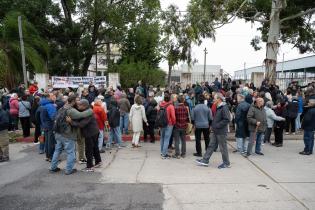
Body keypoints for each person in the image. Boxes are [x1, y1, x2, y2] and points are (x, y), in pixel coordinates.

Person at [50, 95, 94, 175]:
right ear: (73, 101)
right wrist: (91, 110)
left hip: (58, 133)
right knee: (71, 152)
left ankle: (53, 167)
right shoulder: (70, 110)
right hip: (67, 135)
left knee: (57, 151)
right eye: (77, 100)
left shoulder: (62, 108)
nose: (78, 102)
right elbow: (81, 115)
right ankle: (69, 170)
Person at [195, 93, 231, 168]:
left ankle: (226, 163)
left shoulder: (224, 107)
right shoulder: (219, 107)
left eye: (215, 98)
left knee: (223, 147)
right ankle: (205, 160)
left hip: (221, 132)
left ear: (219, 99)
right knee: (211, 145)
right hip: (216, 131)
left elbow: (227, 119)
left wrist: (217, 126)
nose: (213, 100)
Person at [67, 99, 102, 172]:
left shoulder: (88, 112)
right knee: (95, 148)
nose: (78, 106)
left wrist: (71, 122)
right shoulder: (86, 110)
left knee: (89, 150)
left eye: (79, 105)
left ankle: (89, 167)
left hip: (90, 133)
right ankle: (98, 162)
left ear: (84, 106)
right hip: (94, 131)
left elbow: (81, 124)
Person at [40, 93, 57, 162]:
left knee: (47, 141)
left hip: (44, 125)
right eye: (53, 96)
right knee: (51, 141)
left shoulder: (42, 105)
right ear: (49, 98)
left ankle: (47, 156)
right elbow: (53, 117)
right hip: (50, 125)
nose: (55, 97)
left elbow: (37, 115)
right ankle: (51, 156)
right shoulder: (50, 105)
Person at [158, 93, 176, 159]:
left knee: (162, 138)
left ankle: (162, 151)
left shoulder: (161, 105)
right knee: (166, 139)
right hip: (169, 124)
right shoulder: (171, 106)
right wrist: (174, 123)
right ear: (170, 99)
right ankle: (164, 154)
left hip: (162, 123)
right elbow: (173, 117)